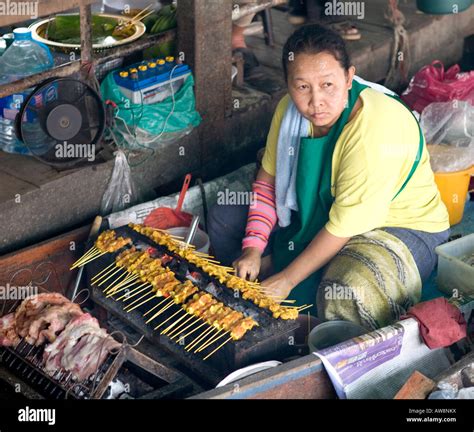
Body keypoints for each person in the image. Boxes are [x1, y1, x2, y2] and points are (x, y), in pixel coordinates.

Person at [208, 24, 450, 330]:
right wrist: (253, 247)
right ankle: (270, 271)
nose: (316, 101)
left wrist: (285, 279)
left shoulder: (373, 129)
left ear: (349, 78)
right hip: (326, 215)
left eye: (327, 85)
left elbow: (342, 226)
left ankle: (305, 321)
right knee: (225, 217)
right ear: (288, 84)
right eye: (302, 87)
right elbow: (267, 183)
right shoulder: (288, 113)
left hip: (399, 227)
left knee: (349, 288)